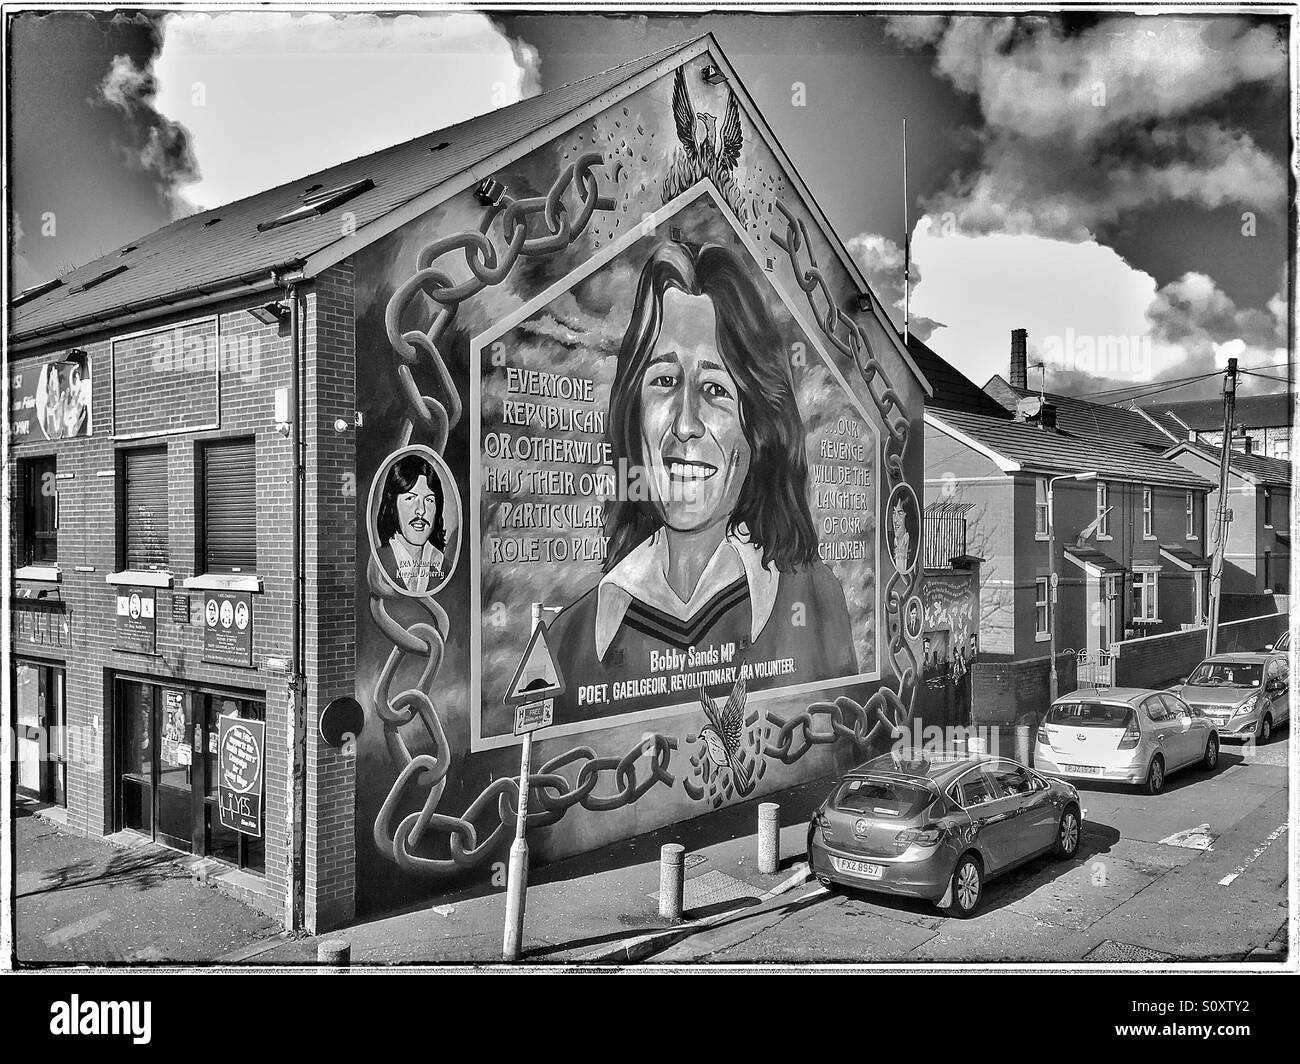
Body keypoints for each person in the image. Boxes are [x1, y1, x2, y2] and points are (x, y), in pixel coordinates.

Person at [546, 241, 857, 722]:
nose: (685, 424)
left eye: (714, 389)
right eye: (664, 381)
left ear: (758, 427)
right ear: (633, 411)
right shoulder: (571, 640)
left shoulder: (814, 602)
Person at [375, 453, 447, 594]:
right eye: (410, 498)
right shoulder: (377, 565)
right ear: (393, 505)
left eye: (429, 500)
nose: (421, 510)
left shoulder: (444, 566)